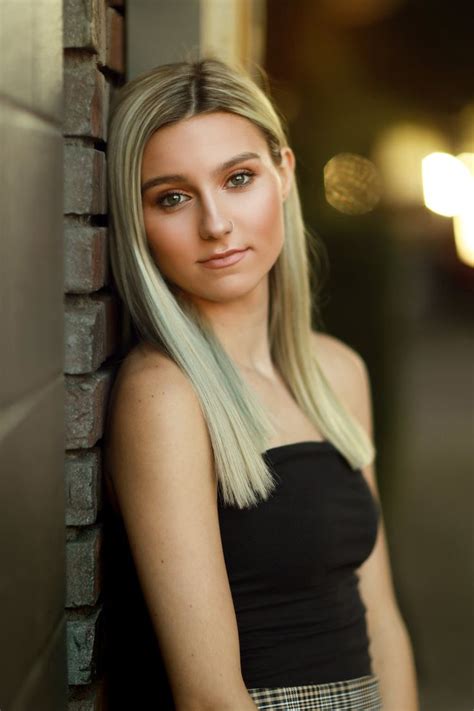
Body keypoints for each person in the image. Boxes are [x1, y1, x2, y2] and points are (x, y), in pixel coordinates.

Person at [102, 57, 419, 711]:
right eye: (173, 196)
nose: (214, 223)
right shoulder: (163, 397)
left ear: (284, 173)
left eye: (238, 178)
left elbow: (381, 615)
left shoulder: (336, 371)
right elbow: (210, 697)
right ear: (139, 222)